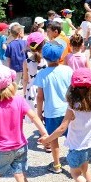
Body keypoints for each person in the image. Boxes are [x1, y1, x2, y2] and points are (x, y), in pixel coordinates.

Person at [0, 65, 48, 182]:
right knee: (20, 175)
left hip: (1, 150)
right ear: (12, 84)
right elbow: (34, 117)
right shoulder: (19, 101)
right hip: (20, 147)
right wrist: (44, 133)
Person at [40, 68, 91, 182]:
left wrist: (47, 139)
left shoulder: (73, 106)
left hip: (77, 147)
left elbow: (62, 128)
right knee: (85, 167)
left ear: (73, 87)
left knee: (75, 173)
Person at [34, 42, 74, 174]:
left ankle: (57, 165)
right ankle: (74, 160)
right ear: (60, 56)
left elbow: (40, 97)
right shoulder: (68, 70)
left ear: (44, 57)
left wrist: (38, 114)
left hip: (51, 112)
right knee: (72, 137)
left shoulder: (42, 74)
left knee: (53, 139)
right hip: (68, 111)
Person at [22, 32, 47, 123]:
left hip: (32, 89)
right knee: (46, 110)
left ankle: (41, 130)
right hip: (45, 87)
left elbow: (25, 79)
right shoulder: (47, 60)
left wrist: (25, 92)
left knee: (35, 114)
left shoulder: (26, 62)